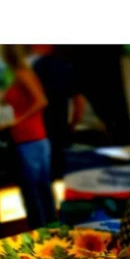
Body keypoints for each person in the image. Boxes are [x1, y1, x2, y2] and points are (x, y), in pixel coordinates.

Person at [0, 44, 57, 229]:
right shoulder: (18, 74)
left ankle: (41, 234)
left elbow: (41, 101)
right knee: (41, 190)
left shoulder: (23, 73)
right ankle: (51, 232)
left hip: (30, 138)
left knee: (34, 193)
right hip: (34, 138)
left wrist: (16, 121)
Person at [30, 45, 85, 180]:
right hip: (60, 125)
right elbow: (79, 101)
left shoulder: (36, 67)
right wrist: (73, 123)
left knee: (43, 173)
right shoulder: (65, 67)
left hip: (41, 127)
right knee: (60, 171)